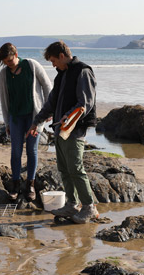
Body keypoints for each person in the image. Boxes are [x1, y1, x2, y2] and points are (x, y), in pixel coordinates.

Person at [27, 41, 98, 224]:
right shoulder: (61, 76)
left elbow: (86, 103)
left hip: (75, 130)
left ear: (61, 55)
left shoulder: (83, 71)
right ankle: (72, 204)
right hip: (60, 130)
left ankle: (89, 207)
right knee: (64, 169)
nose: (53, 65)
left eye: (53, 61)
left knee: (76, 168)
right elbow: (50, 103)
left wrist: (68, 116)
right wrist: (36, 121)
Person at [0, 43, 52, 201]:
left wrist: (49, 110)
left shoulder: (32, 65)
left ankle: (30, 185)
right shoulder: (4, 74)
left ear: (16, 54)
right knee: (15, 152)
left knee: (32, 150)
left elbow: (47, 86)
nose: (8, 64)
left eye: (10, 60)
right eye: (5, 62)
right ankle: (16, 185)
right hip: (15, 118)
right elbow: (4, 99)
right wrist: (7, 122)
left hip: (34, 116)